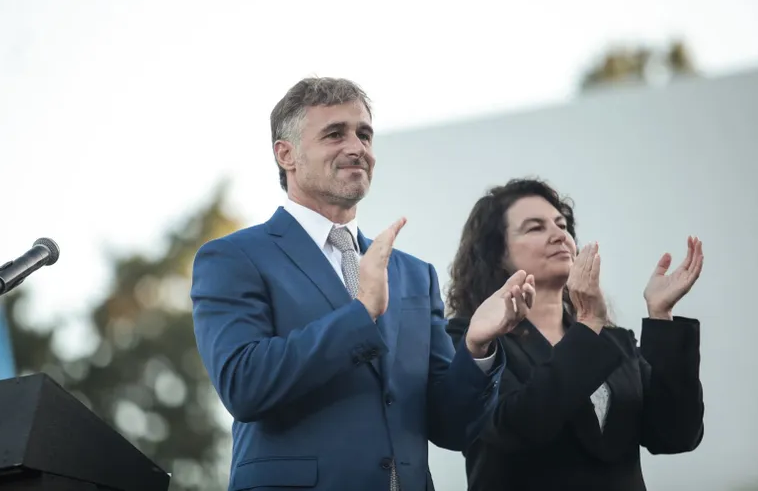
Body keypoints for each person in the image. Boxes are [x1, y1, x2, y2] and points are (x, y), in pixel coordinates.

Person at [190, 78, 534, 491]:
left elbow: (452, 428)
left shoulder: (413, 274)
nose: (357, 148)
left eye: (364, 134)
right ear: (287, 155)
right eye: (335, 134)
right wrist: (361, 314)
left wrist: (477, 348)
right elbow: (243, 386)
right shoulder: (234, 257)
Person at [445, 178, 705, 491]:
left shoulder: (613, 340)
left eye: (562, 224)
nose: (560, 235)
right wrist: (588, 324)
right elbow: (517, 427)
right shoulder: (472, 339)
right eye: (535, 227)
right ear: (498, 253)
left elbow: (676, 434)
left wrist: (660, 318)